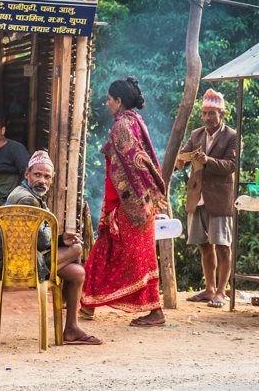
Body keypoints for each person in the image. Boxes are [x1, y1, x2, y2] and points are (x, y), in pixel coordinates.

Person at [0, 150, 102, 345]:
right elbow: (37, 241)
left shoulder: (31, 195)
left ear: (52, 180)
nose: (42, 180)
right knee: (76, 249)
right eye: (37, 175)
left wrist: (60, 239)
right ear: (27, 174)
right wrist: (59, 241)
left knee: (76, 272)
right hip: (14, 263)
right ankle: (66, 301)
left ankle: (71, 329)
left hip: (25, 257)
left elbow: (36, 238)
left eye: (47, 177)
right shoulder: (26, 199)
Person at [81, 76, 168, 327]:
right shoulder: (136, 122)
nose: (106, 103)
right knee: (132, 255)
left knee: (116, 253)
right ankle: (89, 303)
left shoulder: (121, 127)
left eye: (109, 99)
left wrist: (110, 207)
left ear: (119, 101)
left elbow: (120, 172)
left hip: (127, 207)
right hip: (144, 204)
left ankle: (90, 304)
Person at [175, 88, 237, 309]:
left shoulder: (232, 136)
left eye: (212, 113)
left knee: (222, 245)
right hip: (197, 195)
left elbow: (231, 165)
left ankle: (221, 292)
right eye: (205, 113)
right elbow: (182, 154)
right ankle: (209, 289)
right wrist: (180, 162)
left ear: (223, 114)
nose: (207, 117)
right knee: (203, 245)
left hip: (220, 197)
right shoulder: (196, 134)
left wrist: (208, 160)